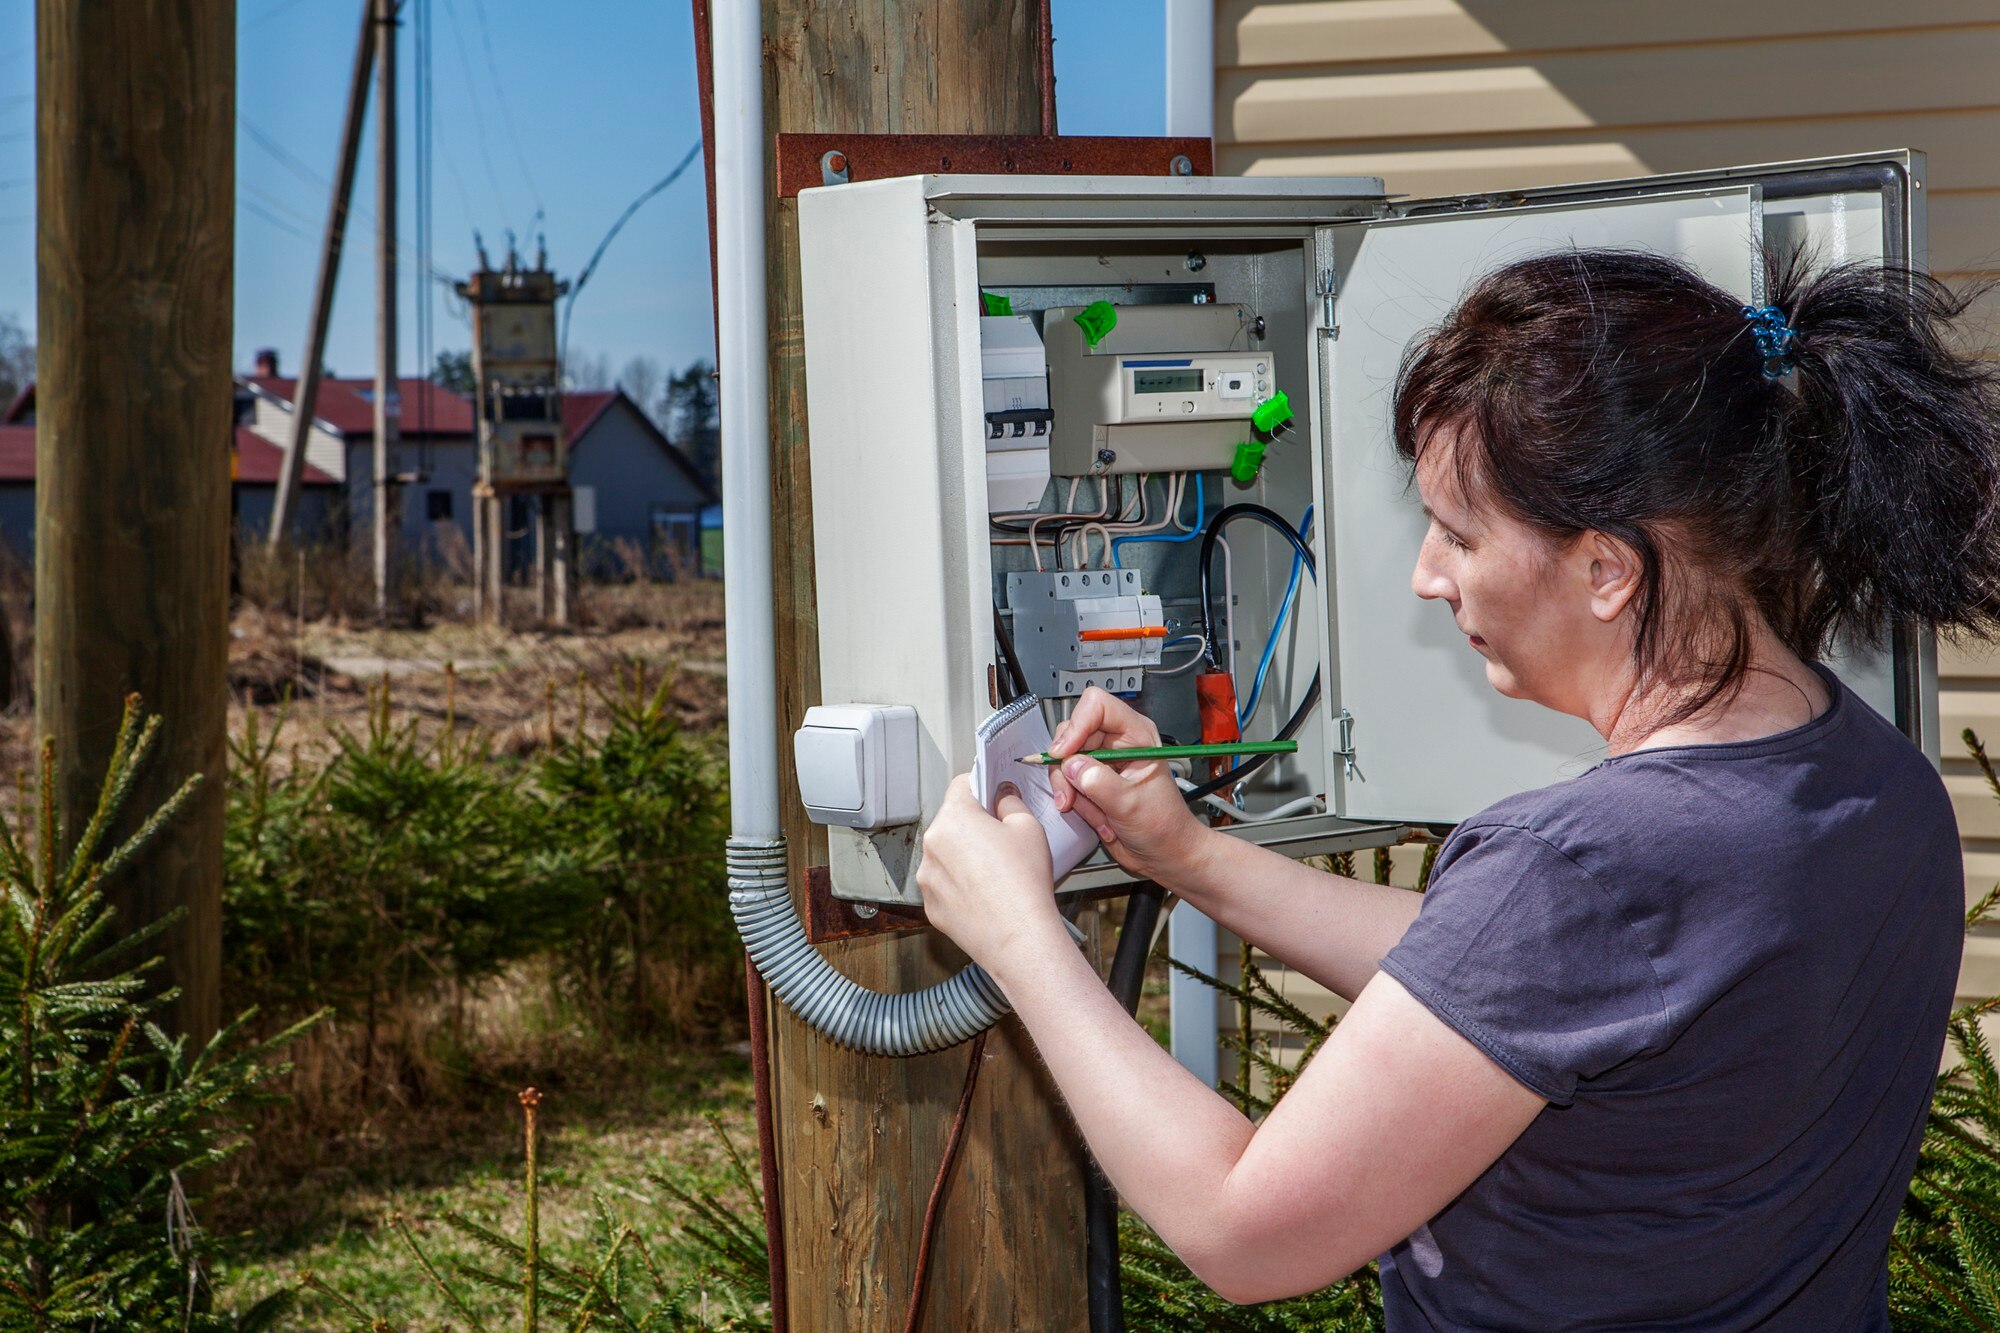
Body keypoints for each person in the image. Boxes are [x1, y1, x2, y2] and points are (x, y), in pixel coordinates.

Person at [915, 249, 2000, 1329]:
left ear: (1605, 567)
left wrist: (1021, 941)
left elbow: (1242, 1228)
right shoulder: (1874, 780)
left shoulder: (1579, 865)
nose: (1427, 573)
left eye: (1459, 532)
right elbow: (1519, 984)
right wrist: (1187, 858)